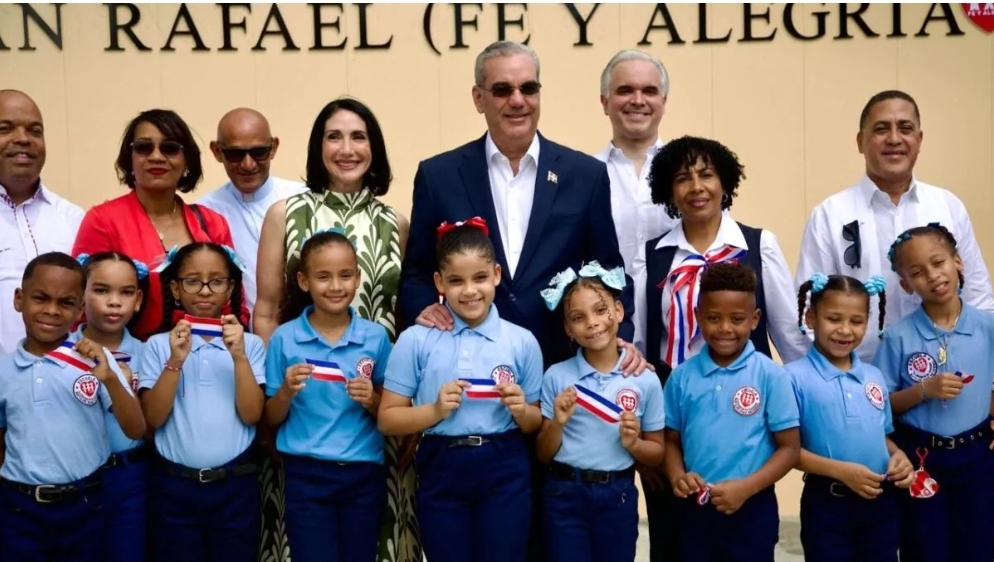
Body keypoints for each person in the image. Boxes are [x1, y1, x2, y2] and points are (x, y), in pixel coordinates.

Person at [400, 40, 643, 372]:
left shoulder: (585, 175)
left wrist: (620, 339)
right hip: (465, 369)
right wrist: (424, 308)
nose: (517, 100)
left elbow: (608, 270)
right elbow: (417, 272)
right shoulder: (438, 176)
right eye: (502, 90)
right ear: (478, 98)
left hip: (562, 367)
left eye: (528, 88)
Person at [633, 135, 809, 561]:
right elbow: (637, 348)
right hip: (675, 423)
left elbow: (790, 339)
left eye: (707, 175)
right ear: (669, 190)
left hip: (744, 425)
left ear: (724, 182)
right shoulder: (651, 256)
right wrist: (645, 443)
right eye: (683, 178)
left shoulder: (759, 245)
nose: (696, 187)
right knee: (674, 546)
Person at [254, 97, 415, 562]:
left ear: (374, 147)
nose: (347, 149)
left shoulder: (396, 222)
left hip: (372, 404)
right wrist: (271, 401)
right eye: (334, 137)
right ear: (317, 147)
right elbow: (266, 310)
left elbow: (404, 317)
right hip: (305, 412)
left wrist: (403, 408)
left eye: (358, 137)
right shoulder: (284, 213)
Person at [378, 220, 544, 562]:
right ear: (439, 282)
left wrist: (521, 409)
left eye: (479, 277)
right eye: (456, 281)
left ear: (496, 274)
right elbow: (388, 419)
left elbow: (535, 422)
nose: (469, 291)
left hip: (505, 467)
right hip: (441, 465)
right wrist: (434, 411)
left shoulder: (522, 341)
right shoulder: (416, 339)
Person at [796, 90, 994, 363]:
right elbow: (808, 309)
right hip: (859, 377)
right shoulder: (830, 215)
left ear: (919, 140)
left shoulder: (947, 206)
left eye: (905, 128)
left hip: (949, 373)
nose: (894, 139)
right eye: (881, 129)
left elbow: (979, 299)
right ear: (860, 141)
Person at [0, 252, 145, 561]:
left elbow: (136, 428)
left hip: (86, 502)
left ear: (79, 309)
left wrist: (111, 378)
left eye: (66, 302)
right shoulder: (4, 370)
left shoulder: (97, 361)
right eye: (41, 298)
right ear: (19, 299)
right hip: (19, 506)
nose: (52, 310)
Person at [264, 229, 392, 562]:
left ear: (358, 278)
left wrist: (371, 400)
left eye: (345, 275)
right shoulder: (284, 338)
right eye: (323, 277)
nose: (336, 286)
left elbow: (390, 413)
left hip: (363, 474)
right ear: (303, 281)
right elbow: (270, 417)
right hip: (305, 475)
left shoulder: (376, 338)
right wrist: (285, 392)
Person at [662, 262, 800, 562]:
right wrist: (677, 477)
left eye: (737, 319)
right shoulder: (681, 376)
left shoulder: (771, 376)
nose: (725, 328)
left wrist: (746, 488)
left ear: (755, 319)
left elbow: (789, 449)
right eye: (714, 318)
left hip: (753, 506)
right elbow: (670, 440)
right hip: (695, 508)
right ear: (698, 316)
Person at [872, 223, 994, 562]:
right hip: (920, 457)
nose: (933, 275)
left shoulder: (987, 327)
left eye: (938, 262)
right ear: (905, 284)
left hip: (978, 456)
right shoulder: (897, 337)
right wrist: (923, 390)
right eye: (917, 272)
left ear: (958, 261)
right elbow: (880, 407)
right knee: (924, 547)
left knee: (979, 546)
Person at [138, 242, 266, 562]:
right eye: (192, 281)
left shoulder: (250, 345)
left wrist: (238, 357)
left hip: (235, 485)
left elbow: (252, 414)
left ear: (230, 288)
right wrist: (175, 361)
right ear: (175, 289)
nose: (205, 290)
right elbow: (153, 418)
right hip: (174, 486)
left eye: (217, 281)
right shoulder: (157, 345)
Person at [72, 108, 245, 341]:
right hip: (125, 357)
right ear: (130, 158)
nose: (156, 156)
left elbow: (234, 304)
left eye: (170, 148)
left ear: (187, 160)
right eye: (144, 147)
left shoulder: (212, 223)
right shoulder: (102, 221)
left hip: (207, 351)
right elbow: (78, 302)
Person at [535, 262, 666, 562]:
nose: (592, 323)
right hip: (564, 496)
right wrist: (557, 423)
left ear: (618, 311)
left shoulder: (644, 379)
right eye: (578, 317)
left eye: (600, 310)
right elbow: (542, 454)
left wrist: (634, 444)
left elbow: (657, 453)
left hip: (617, 496)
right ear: (568, 328)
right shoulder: (556, 376)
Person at [787, 273, 915, 562]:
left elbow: (882, 437)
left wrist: (899, 456)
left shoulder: (873, 376)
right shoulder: (792, 378)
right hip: (827, 504)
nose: (845, 330)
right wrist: (843, 472)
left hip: (881, 502)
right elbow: (788, 451)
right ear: (811, 318)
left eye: (856, 321)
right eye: (834, 319)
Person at [70, 251, 151, 562]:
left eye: (126, 292)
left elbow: (152, 425)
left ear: (138, 299)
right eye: (102, 290)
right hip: (75, 479)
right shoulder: (61, 353)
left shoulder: (148, 353)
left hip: (131, 476)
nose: (114, 302)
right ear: (81, 295)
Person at [198, 107, 307, 316]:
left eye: (258, 152)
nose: (248, 164)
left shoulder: (304, 200)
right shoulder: (203, 213)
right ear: (217, 152)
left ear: (273, 148)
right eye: (235, 154)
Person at [0, 89, 85, 354]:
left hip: (65, 374)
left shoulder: (75, 220)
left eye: (35, 131)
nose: (23, 139)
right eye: (5, 129)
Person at [595, 50, 678, 274]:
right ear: (605, 102)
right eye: (625, 90)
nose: (638, 101)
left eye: (649, 91)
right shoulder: (583, 176)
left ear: (663, 101)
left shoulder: (689, 174)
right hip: (607, 297)